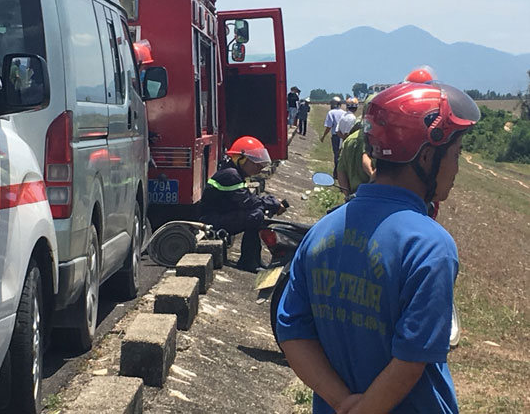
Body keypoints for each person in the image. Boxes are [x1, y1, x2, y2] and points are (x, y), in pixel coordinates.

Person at [276, 81, 480, 414]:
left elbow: (292, 331)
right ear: (427, 156)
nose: (456, 169)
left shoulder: (322, 231)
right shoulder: (430, 246)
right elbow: (412, 356)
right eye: (455, 155)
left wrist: (343, 402)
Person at [200, 136, 286, 272]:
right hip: (211, 220)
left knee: (257, 213)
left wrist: (269, 203)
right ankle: (248, 261)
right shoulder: (231, 175)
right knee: (255, 215)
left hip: (219, 215)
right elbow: (248, 202)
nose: (260, 167)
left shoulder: (234, 173)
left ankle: (254, 259)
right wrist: (272, 203)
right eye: (256, 163)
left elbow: (249, 199)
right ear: (242, 159)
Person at [336, 94, 376, 196]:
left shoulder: (350, 140)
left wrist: (347, 195)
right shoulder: (384, 141)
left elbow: (340, 172)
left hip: (354, 196)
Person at [320, 96, 346, 177]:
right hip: (343, 135)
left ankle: (337, 173)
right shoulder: (344, 113)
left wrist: (324, 136)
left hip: (335, 136)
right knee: (342, 154)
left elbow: (329, 126)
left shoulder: (331, 113)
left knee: (336, 154)